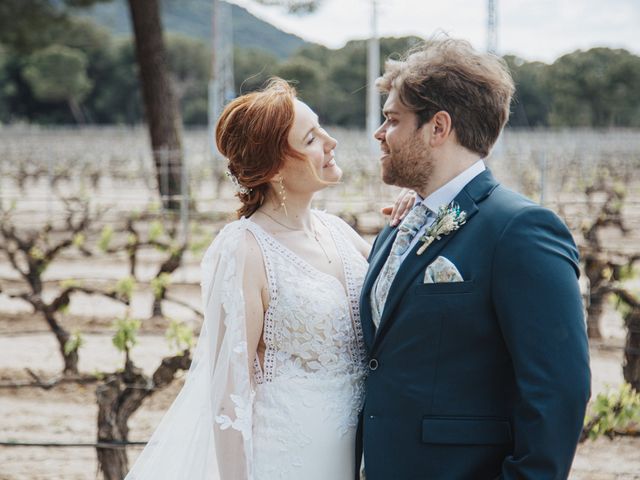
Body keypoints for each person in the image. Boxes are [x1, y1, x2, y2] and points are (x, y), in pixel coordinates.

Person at [125, 78, 413, 480]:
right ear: (275, 164)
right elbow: (229, 397)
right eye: (312, 138)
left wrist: (413, 221)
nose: (331, 142)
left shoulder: (341, 233)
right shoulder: (245, 249)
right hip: (286, 461)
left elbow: (400, 300)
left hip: (358, 457)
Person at [358, 38, 591, 479]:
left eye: (392, 120)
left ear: (438, 127)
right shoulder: (401, 225)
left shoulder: (520, 229)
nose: (378, 134)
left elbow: (559, 391)